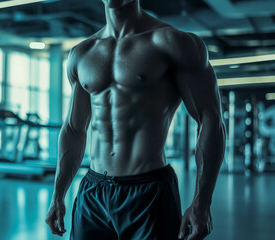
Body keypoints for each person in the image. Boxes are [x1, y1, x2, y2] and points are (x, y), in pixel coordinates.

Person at [45, 0, 226, 239]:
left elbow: (210, 119)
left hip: (148, 191)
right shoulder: (82, 53)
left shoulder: (172, 43)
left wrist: (202, 202)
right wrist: (58, 194)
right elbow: (74, 128)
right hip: (92, 190)